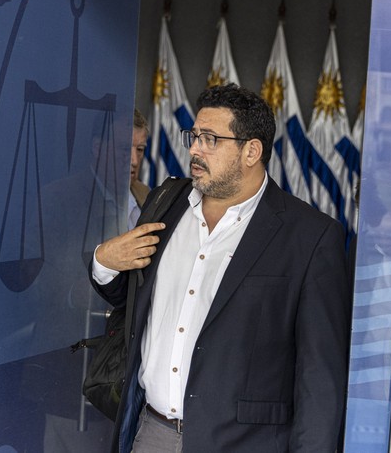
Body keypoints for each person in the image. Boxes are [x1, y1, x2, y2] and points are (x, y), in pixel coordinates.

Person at [90, 83, 351, 452]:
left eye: (210, 139)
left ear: (251, 151)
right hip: (151, 433)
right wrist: (104, 261)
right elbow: (132, 303)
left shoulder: (310, 237)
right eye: (194, 136)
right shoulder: (166, 203)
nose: (194, 149)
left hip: (244, 445)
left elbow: (319, 378)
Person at [128, 109, 151, 230]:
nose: (135, 161)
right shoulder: (69, 197)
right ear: (98, 148)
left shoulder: (146, 193)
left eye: (140, 149)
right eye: (125, 148)